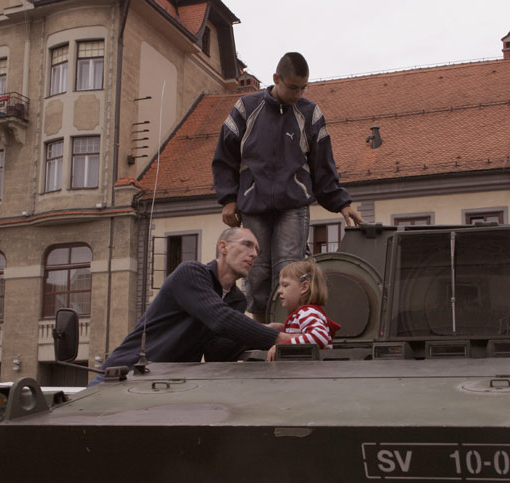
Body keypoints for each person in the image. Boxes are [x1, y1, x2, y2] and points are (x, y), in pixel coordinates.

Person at [213, 51, 365, 321]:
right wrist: (228, 199)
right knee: (256, 270)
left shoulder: (310, 113)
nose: (298, 94)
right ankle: (262, 330)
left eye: (303, 88)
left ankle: (287, 331)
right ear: (276, 79)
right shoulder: (246, 108)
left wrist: (342, 203)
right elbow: (225, 157)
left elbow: (323, 164)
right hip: (254, 203)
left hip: (293, 204)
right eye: (293, 87)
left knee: (289, 270)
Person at [89, 227, 291, 385]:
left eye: (257, 250)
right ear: (223, 247)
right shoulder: (191, 273)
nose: (254, 254)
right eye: (247, 244)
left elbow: (216, 351)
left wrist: (261, 333)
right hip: (123, 376)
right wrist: (281, 338)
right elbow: (220, 318)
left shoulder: (237, 300)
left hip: (167, 383)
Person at [267, 260, 340, 361]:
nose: (279, 290)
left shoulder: (307, 312)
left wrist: (284, 346)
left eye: (285, 285)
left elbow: (319, 336)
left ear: (304, 287)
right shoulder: (304, 313)